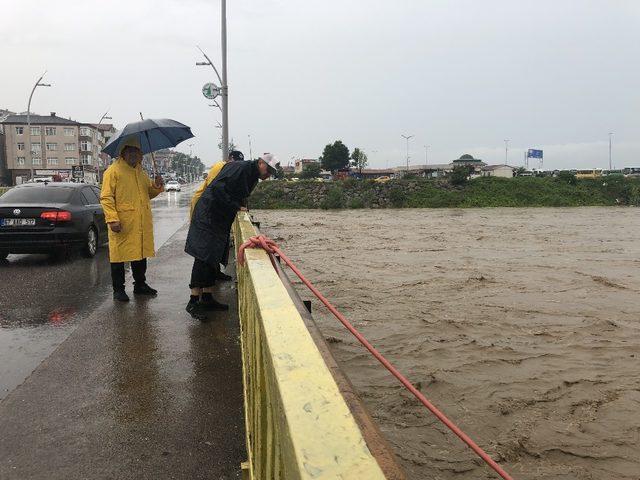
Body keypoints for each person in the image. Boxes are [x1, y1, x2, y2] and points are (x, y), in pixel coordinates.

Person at [184, 154, 279, 320]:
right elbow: (219, 188)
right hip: (209, 215)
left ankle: (207, 298)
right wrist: (237, 207)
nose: (268, 174)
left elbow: (240, 195)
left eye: (271, 172)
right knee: (203, 257)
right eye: (268, 169)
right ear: (260, 162)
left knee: (212, 257)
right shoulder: (241, 168)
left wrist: (240, 206)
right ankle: (193, 301)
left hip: (218, 217)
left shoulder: (252, 174)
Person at [100, 138, 164, 302]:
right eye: (129, 151)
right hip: (122, 223)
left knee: (140, 254)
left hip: (141, 223)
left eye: (136, 151)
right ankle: (118, 290)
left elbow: (148, 193)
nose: (133, 154)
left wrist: (157, 186)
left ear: (140, 154)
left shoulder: (141, 172)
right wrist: (112, 219)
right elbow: (106, 198)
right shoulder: (113, 171)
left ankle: (140, 285)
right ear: (123, 153)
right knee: (119, 257)